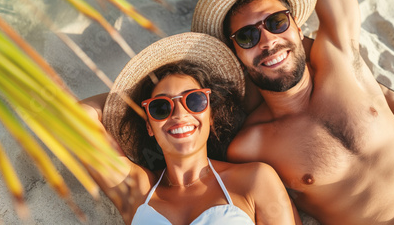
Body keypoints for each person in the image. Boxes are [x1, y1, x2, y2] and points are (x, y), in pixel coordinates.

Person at [191, 0, 394, 225]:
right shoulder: (250, 145)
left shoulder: (340, 60)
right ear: (235, 53)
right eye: (247, 36)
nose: (267, 41)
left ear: (297, 29)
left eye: (276, 22)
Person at [81, 32, 299, 224]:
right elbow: (77, 116)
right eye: (160, 108)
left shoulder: (254, 180)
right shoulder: (136, 190)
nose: (179, 114)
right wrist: (129, 97)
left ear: (211, 116)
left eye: (193, 101)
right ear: (149, 126)